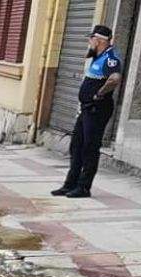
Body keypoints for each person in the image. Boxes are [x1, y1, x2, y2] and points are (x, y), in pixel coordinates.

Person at [52, 25, 123, 200]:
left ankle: (84, 187)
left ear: (98, 40)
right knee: (76, 145)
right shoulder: (96, 57)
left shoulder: (110, 59)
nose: (88, 42)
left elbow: (115, 78)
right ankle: (70, 184)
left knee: (89, 148)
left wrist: (99, 94)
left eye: (90, 39)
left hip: (97, 109)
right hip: (86, 109)